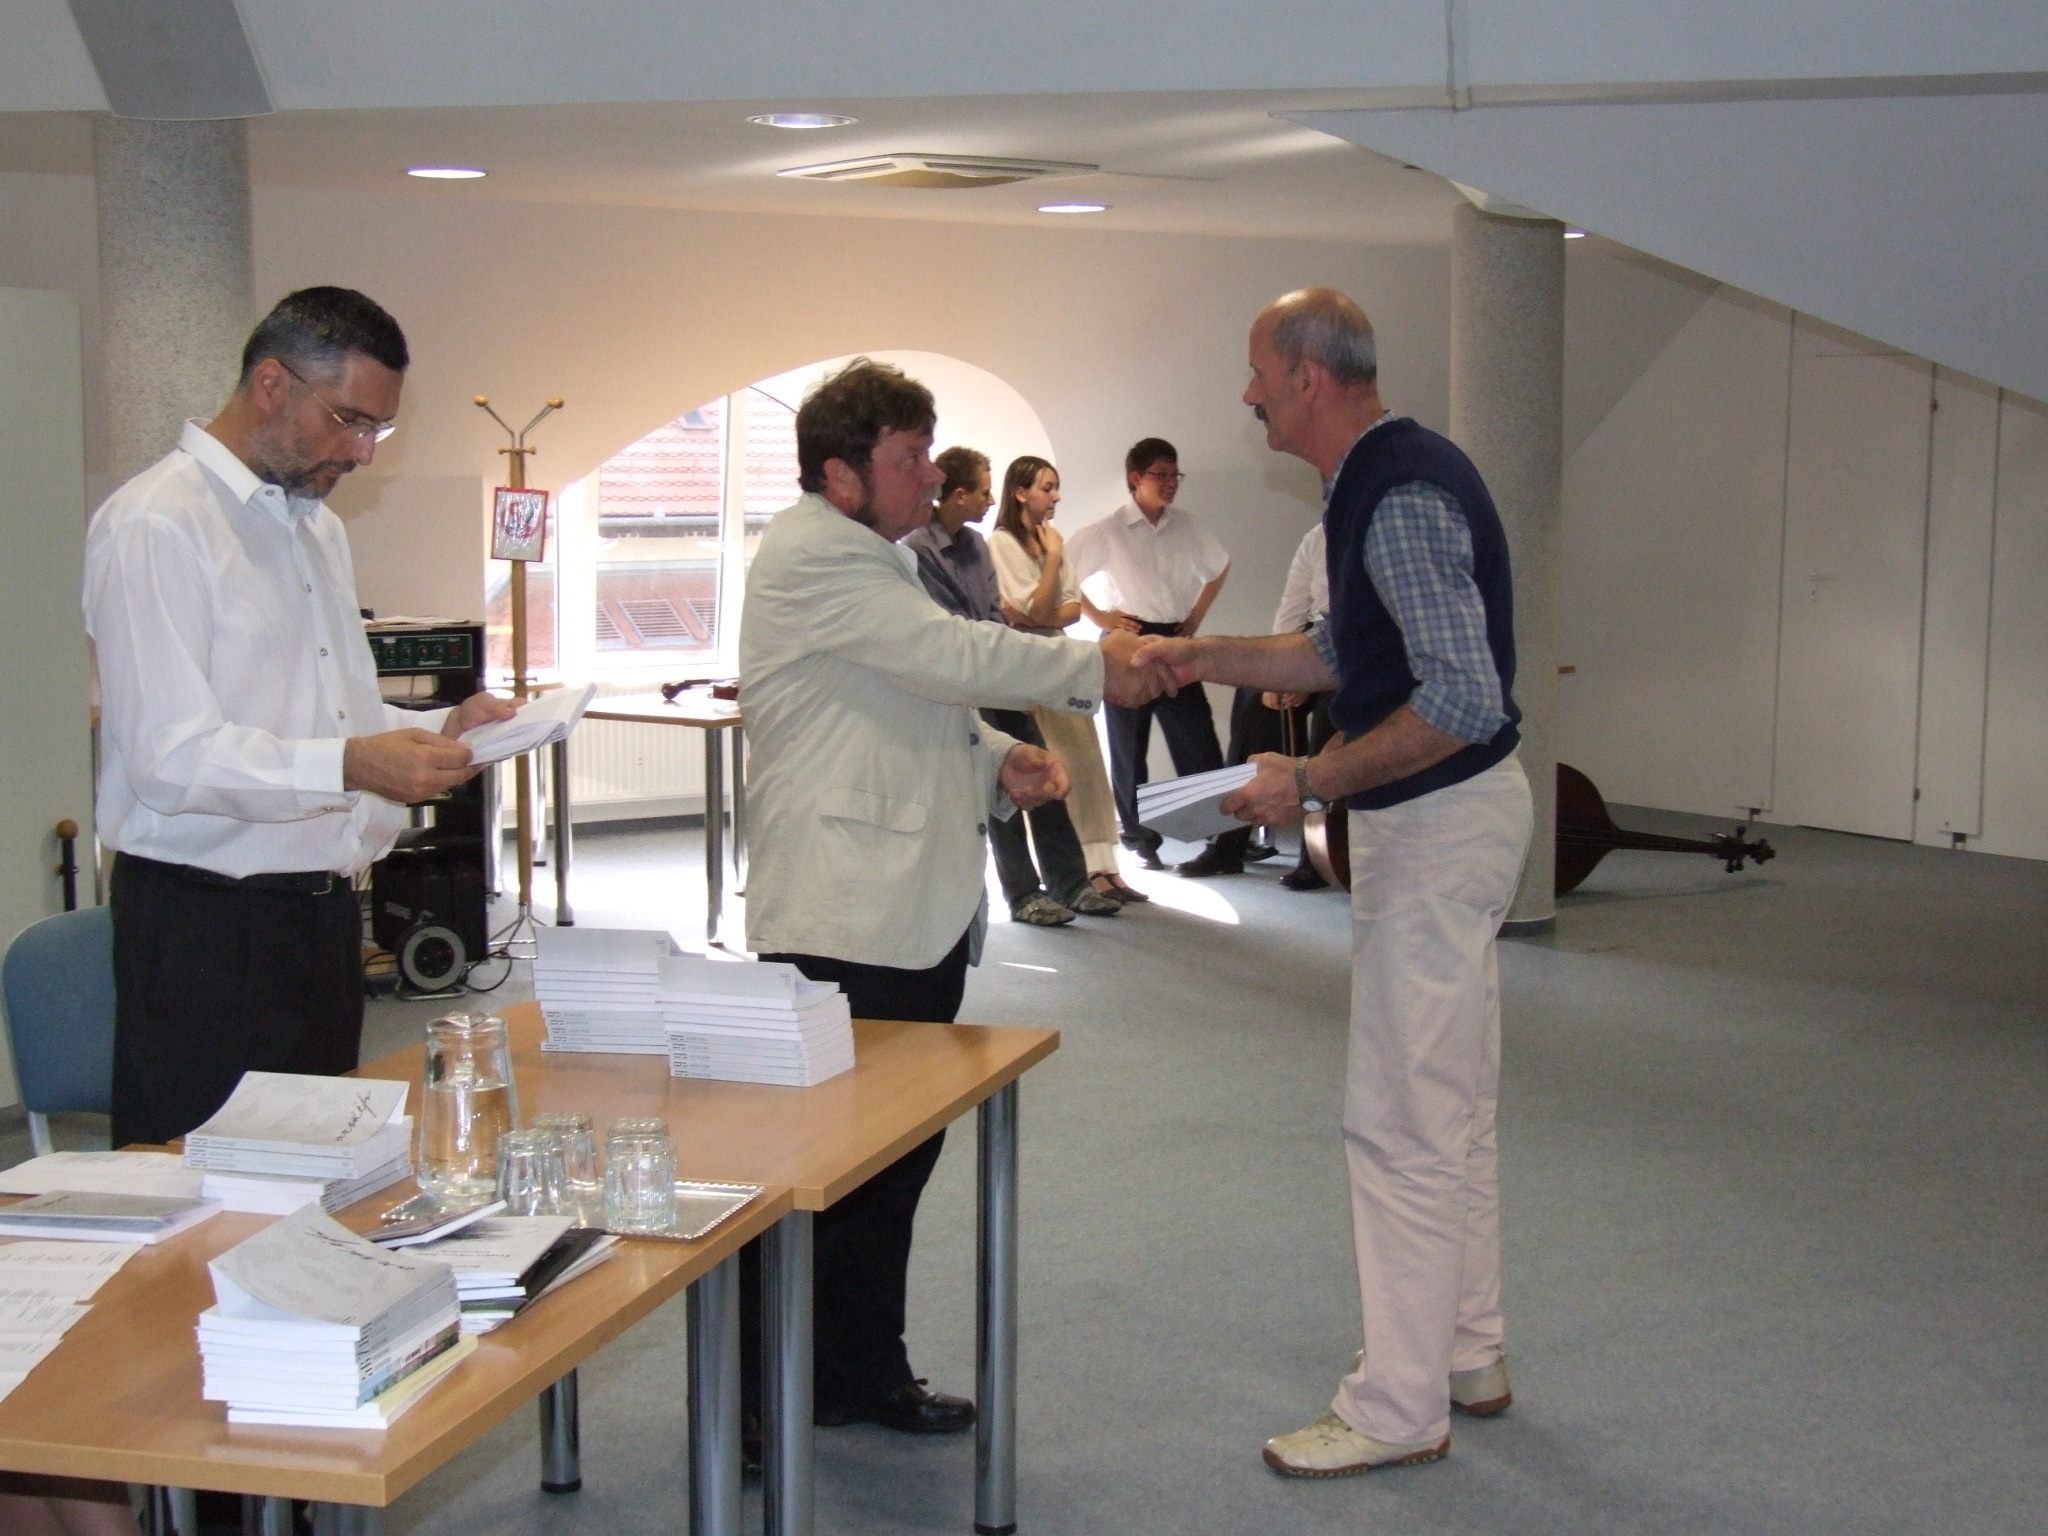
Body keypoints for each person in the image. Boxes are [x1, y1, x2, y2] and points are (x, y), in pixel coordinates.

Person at [1136, 288, 1533, 1476]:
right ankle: (1466, 1349)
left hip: (1437, 825)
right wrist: (1197, 657)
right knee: (1450, 1106)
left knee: (1400, 1121)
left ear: (1308, 376)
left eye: (1257, 373)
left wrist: (1306, 781)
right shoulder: (1375, 479)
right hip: (1448, 822)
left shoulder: (1396, 494)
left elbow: (1459, 701)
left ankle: (1396, 1408)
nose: (1246, 394)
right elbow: (1341, 654)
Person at [737, 358, 1164, 1442]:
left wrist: (993, 760)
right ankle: (760, 1407)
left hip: (895, 906)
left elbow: (906, 699)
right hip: (844, 915)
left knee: (886, 1167)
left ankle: (857, 1373)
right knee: (816, 1173)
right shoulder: (813, 555)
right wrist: (1095, 667)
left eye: (930, 454)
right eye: (909, 457)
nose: (930, 476)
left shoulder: (868, 555)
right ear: (841, 474)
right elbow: (941, 653)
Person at [83, 287, 515, 1149]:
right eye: (349, 421)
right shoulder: (156, 525)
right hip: (207, 926)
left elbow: (328, 713)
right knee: (206, 1192)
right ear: (272, 385)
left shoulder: (314, 529)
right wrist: (352, 764)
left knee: (322, 1181)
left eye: (378, 430)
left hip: (319, 918)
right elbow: (168, 757)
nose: (361, 452)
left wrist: (441, 731)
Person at [903, 447, 1119, 923]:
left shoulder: (976, 545)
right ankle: (1023, 895)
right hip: (962, 686)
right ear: (959, 495)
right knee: (1000, 789)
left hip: (998, 674)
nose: (989, 500)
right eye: (983, 491)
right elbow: (949, 626)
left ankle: (1071, 883)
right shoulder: (918, 549)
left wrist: (1017, 683)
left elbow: (997, 616)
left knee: (1042, 776)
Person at [1064, 437, 1236, 876]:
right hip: (1128, 643)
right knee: (1129, 748)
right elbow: (1064, 574)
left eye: (1175, 475)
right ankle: (1140, 839)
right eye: (1161, 475)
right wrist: (1101, 616)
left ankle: (1219, 837)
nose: (1170, 483)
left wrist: (1195, 618)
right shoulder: (1108, 530)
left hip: (1175, 639)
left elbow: (1219, 567)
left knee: (1198, 741)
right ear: (1135, 478)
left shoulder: (1187, 526)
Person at [987, 455, 1145, 905]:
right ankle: (1074, 876)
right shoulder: (1002, 542)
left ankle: (1104, 868)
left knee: (1087, 765)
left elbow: (1071, 610)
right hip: (1030, 665)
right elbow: (1033, 610)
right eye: (1046, 487)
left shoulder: (1050, 537)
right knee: (1054, 770)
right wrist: (1054, 562)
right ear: (1020, 493)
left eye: (1056, 487)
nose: (1055, 496)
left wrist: (1043, 607)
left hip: (1061, 656)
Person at [1216, 521, 1336, 887]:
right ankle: (1228, 845)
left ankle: (1316, 856)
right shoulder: (1316, 537)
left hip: (1355, 647)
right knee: (1253, 698)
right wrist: (1281, 674)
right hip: (1314, 637)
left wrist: (1313, 675)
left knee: (1330, 720)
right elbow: (1293, 608)